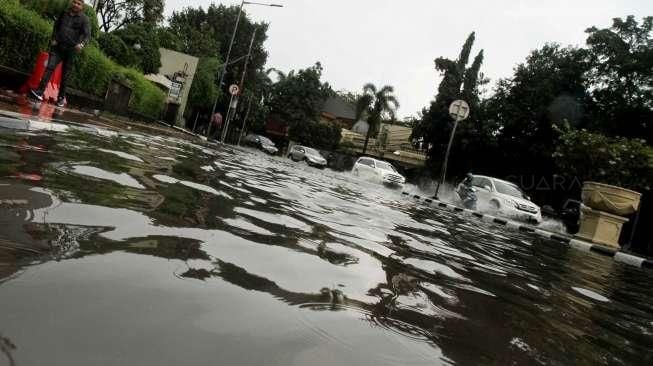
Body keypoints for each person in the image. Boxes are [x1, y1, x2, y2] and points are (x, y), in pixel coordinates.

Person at [30, 0, 90, 107]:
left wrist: (81, 44)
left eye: (78, 4)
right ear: (72, 3)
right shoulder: (64, 14)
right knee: (49, 67)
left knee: (65, 75)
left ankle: (61, 98)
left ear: (82, 6)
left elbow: (87, 35)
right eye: (74, 2)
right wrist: (54, 38)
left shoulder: (84, 19)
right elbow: (56, 27)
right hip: (58, 47)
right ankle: (39, 92)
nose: (76, 5)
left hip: (71, 50)